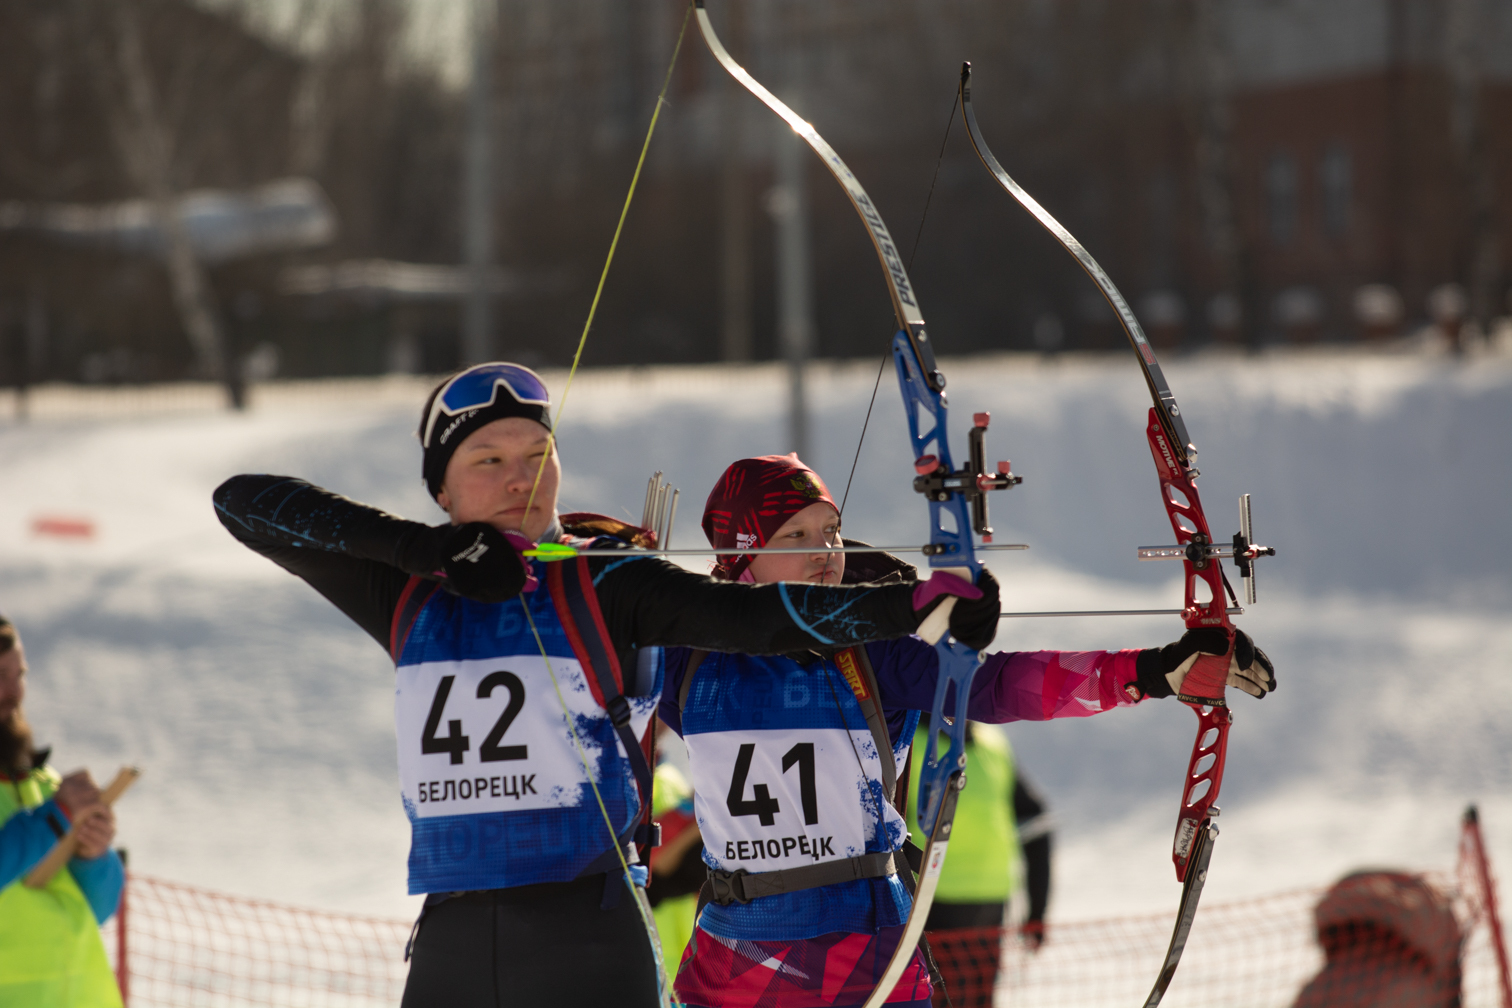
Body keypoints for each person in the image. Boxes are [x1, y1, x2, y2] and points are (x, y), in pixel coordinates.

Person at [211, 362, 997, 1008]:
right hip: (455, 936)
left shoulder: (608, 580)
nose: (521, 479)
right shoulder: (407, 593)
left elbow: (751, 618)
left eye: (537, 456)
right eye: (489, 460)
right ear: (442, 490)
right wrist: (427, 552)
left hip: (590, 934)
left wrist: (909, 605)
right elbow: (242, 503)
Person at [657, 453, 1276, 1008]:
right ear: (741, 556)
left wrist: (1153, 671)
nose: (825, 550)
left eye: (833, 531)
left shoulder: (873, 653)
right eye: (796, 535)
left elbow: (999, 685)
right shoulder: (685, 658)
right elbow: (595, 642)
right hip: (743, 956)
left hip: (868, 951)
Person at [0, 614, 125, 1008]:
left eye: (19, 674)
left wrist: (94, 855)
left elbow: (97, 910)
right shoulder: (55, 805)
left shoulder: (41, 783)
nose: (14, 692)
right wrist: (54, 820)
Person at [905, 719, 1051, 1008]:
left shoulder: (992, 741)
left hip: (987, 905)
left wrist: (1038, 908)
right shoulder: (909, 743)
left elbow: (1036, 824)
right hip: (931, 903)